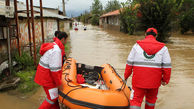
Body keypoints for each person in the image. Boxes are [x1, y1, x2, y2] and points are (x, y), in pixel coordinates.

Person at [124, 28, 171, 109]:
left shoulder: (136, 46)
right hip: (154, 83)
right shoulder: (163, 48)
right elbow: (167, 67)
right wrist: (165, 80)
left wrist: (125, 77)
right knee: (151, 101)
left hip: (138, 81)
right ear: (156, 36)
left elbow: (129, 64)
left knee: (135, 101)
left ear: (145, 34)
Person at [34, 32, 68, 109]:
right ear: (63, 39)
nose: (66, 42)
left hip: (43, 74)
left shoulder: (54, 45)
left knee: (54, 97)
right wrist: (59, 84)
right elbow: (55, 71)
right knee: (52, 98)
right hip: (46, 76)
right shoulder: (56, 50)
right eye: (66, 40)